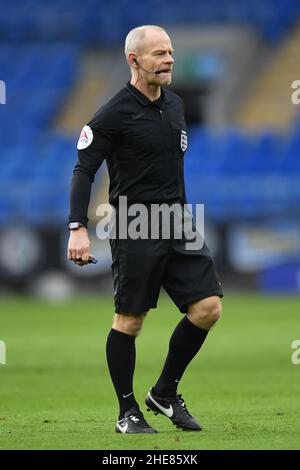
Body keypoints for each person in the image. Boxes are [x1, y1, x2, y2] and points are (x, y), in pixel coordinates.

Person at [67, 25, 223, 434]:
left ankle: (165, 392)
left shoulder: (175, 105)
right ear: (134, 60)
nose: (169, 59)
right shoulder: (113, 113)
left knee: (208, 308)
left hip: (178, 222)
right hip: (135, 225)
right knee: (130, 322)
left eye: (170, 52)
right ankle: (126, 413)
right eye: (158, 54)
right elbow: (84, 168)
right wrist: (77, 227)